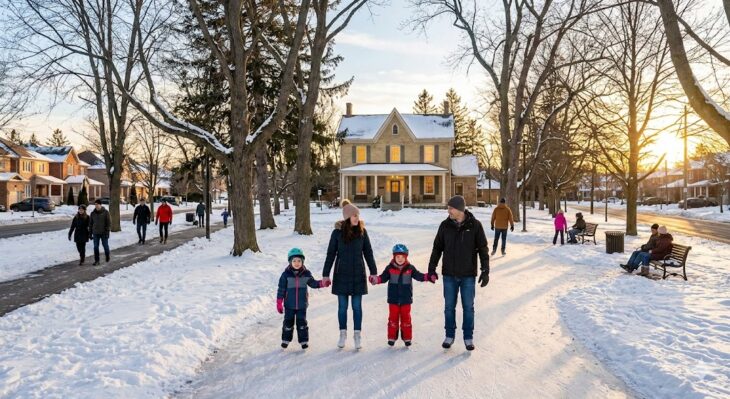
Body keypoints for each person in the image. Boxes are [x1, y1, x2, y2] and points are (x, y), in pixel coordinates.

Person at [428, 195, 490, 351]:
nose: (448, 211)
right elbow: (437, 248)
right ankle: (449, 335)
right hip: (449, 274)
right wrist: (431, 267)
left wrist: (485, 270)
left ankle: (468, 337)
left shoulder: (475, 226)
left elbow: (483, 249)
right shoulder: (444, 226)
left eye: (451, 208)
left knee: (468, 307)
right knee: (449, 307)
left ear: (460, 209)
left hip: (468, 275)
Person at [323, 200, 378, 350]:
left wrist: (373, 272)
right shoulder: (337, 233)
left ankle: (357, 335)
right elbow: (330, 254)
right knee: (342, 307)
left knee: (357, 307)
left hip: (358, 274)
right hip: (341, 274)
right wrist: (325, 274)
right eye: (354, 215)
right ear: (347, 217)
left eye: (358, 215)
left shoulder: (362, 232)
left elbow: (368, 253)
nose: (357, 218)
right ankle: (342, 334)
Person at [370, 243, 436, 347]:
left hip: (406, 299)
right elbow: (383, 278)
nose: (400, 259)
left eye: (402, 257)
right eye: (398, 257)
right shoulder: (390, 268)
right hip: (393, 299)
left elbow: (419, 276)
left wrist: (428, 277)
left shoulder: (410, 268)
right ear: (394, 257)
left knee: (406, 319)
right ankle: (391, 337)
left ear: (406, 257)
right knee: (393, 319)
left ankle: (407, 338)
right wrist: (375, 279)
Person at [276, 248, 330, 349]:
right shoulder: (285, 275)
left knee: (302, 323)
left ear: (302, 261)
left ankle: (304, 341)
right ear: (290, 262)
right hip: (289, 305)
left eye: (299, 261)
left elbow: (313, 283)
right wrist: (279, 303)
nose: (297, 263)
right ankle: (285, 340)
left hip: (302, 305)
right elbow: (281, 289)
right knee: (288, 323)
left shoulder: (306, 274)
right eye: (294, 261)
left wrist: (323, 283)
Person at [89, 199, 111, 265]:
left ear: (100, 205)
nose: (96, 206)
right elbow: (90, 224)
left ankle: (107, 255)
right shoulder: (92, 213)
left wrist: (107, 232)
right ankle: (97, 260)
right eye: (95, 204)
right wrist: (90, 233)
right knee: (95, 247)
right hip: (95, 233)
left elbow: (109, 223)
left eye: (97, 204)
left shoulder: (106, 212)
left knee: (105, 246)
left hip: (104, 233)